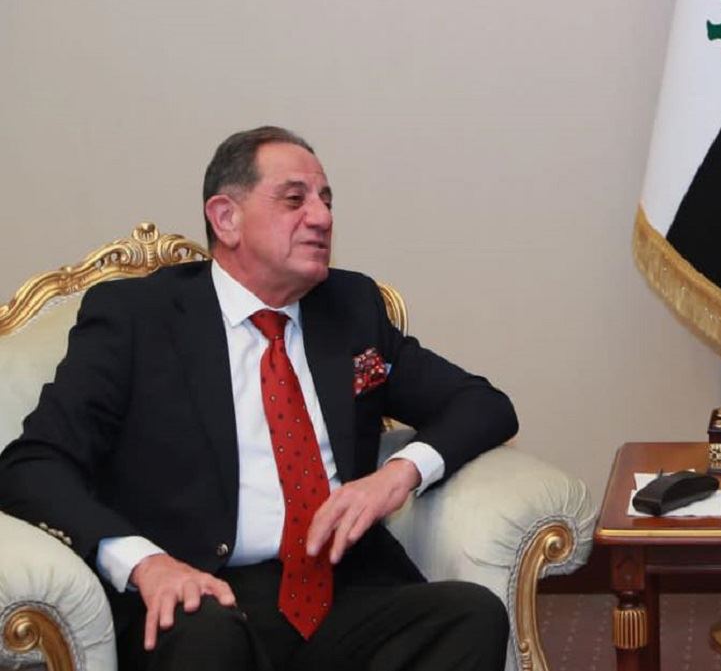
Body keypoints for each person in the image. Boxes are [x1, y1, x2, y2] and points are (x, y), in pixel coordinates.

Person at [0, 126, 517, 671]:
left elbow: (481, 404)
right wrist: (145, 563)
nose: (321, 217)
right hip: (204, 589)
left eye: (326, 200)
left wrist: (397, 475)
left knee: (472, 614)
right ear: (226, 218)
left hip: (342, 585)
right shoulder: (138, 318)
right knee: (206, 638)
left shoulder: (350, 306)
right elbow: (33, 465)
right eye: (295, 200)